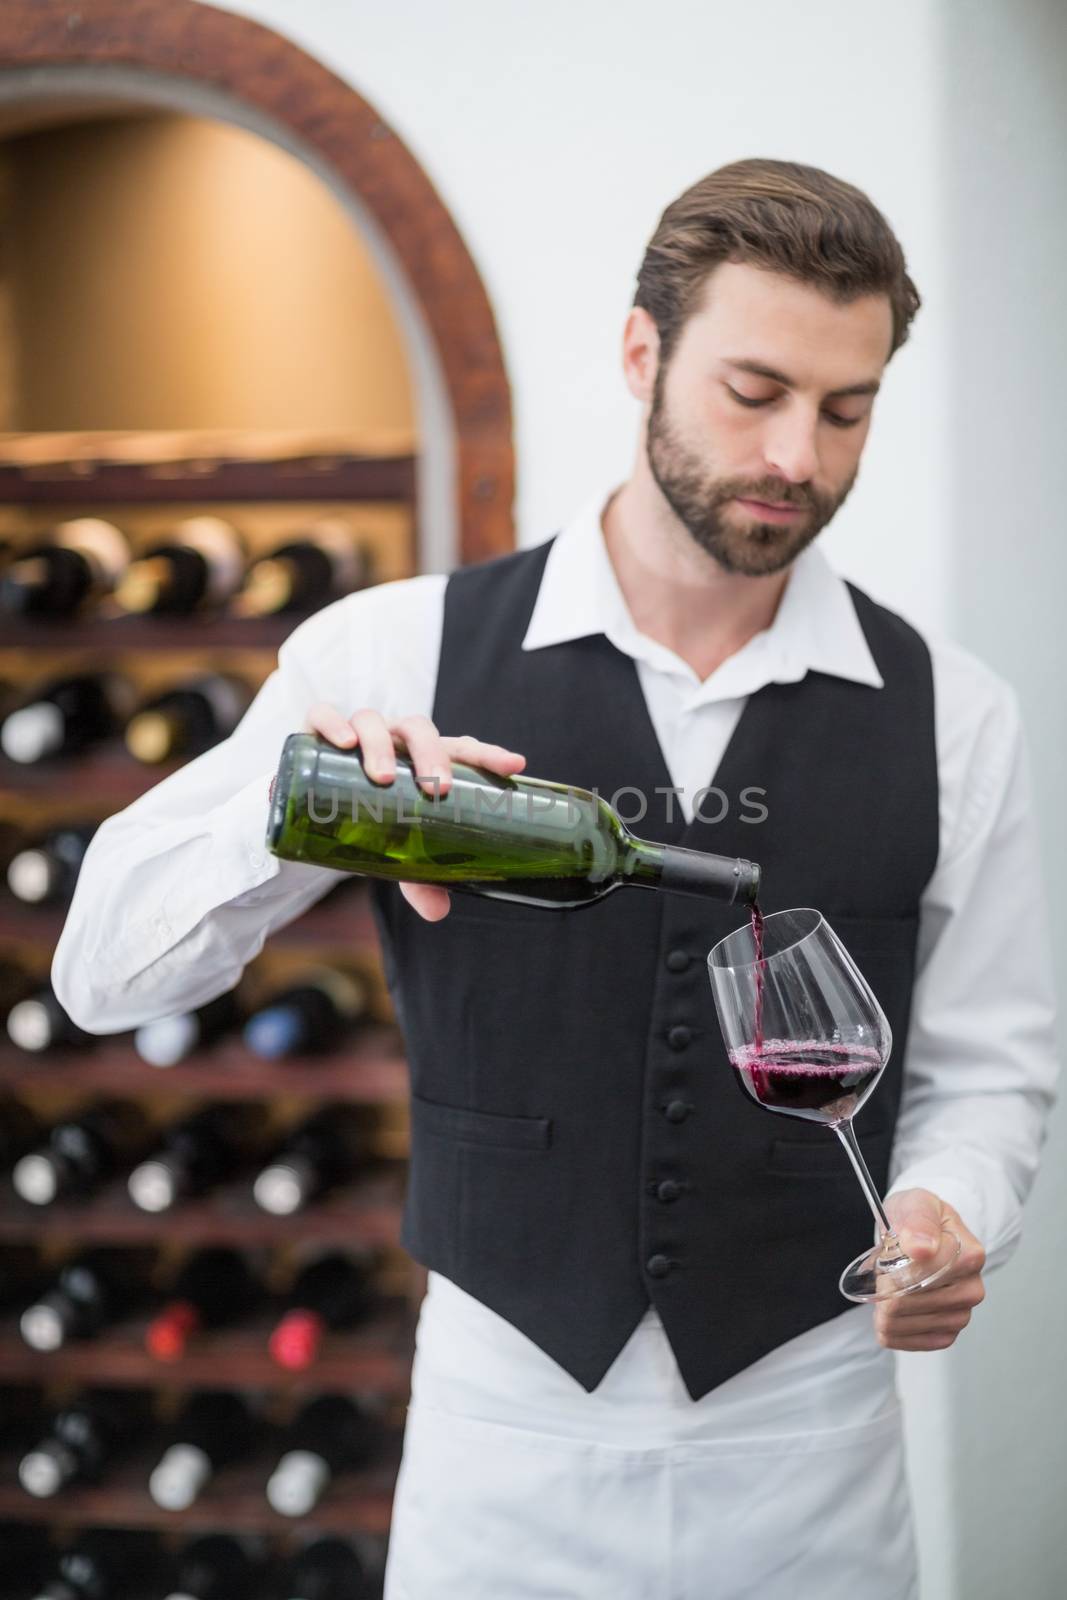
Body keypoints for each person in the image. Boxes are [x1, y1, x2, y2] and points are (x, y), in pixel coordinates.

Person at [52, 158, 1058, 1600]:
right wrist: (293, 810)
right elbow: (103, 981)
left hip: (811, 1456)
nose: (798, 457)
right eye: (754, 390)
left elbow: (992, 1061)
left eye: (848, 411)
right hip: (503, 1452)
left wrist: (955, 1207)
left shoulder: (955, 714)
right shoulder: (390, 653)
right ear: (642, 351)